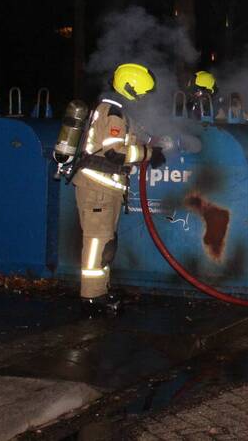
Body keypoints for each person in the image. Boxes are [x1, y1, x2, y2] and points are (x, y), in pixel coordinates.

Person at [72, 63, 164, 314]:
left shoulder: (117, 110)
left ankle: (100, 288)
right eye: (142, 93)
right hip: (97, 188)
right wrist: (149, 154)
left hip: (105, 187)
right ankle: (91, 298)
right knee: (97, 243)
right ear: (130, 88)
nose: (144, 99)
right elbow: (114, 152)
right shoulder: (113, 112)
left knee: (105, 242)